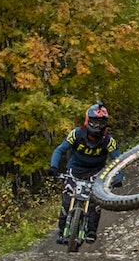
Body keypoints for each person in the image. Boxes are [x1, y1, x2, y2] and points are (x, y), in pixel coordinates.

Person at [49, 103, 120, 243]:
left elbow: (118, 160)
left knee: (95, 201)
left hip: (96, 172)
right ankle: (61, 231)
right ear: (88, 120)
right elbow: (60, 150)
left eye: (101, 122)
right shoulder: (76, 133)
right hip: (75, 169)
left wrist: (118, 177)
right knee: (67, 199)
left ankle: (91, 231)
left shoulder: (109, 140)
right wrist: (53, 167)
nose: (97, 126)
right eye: (94, 121)